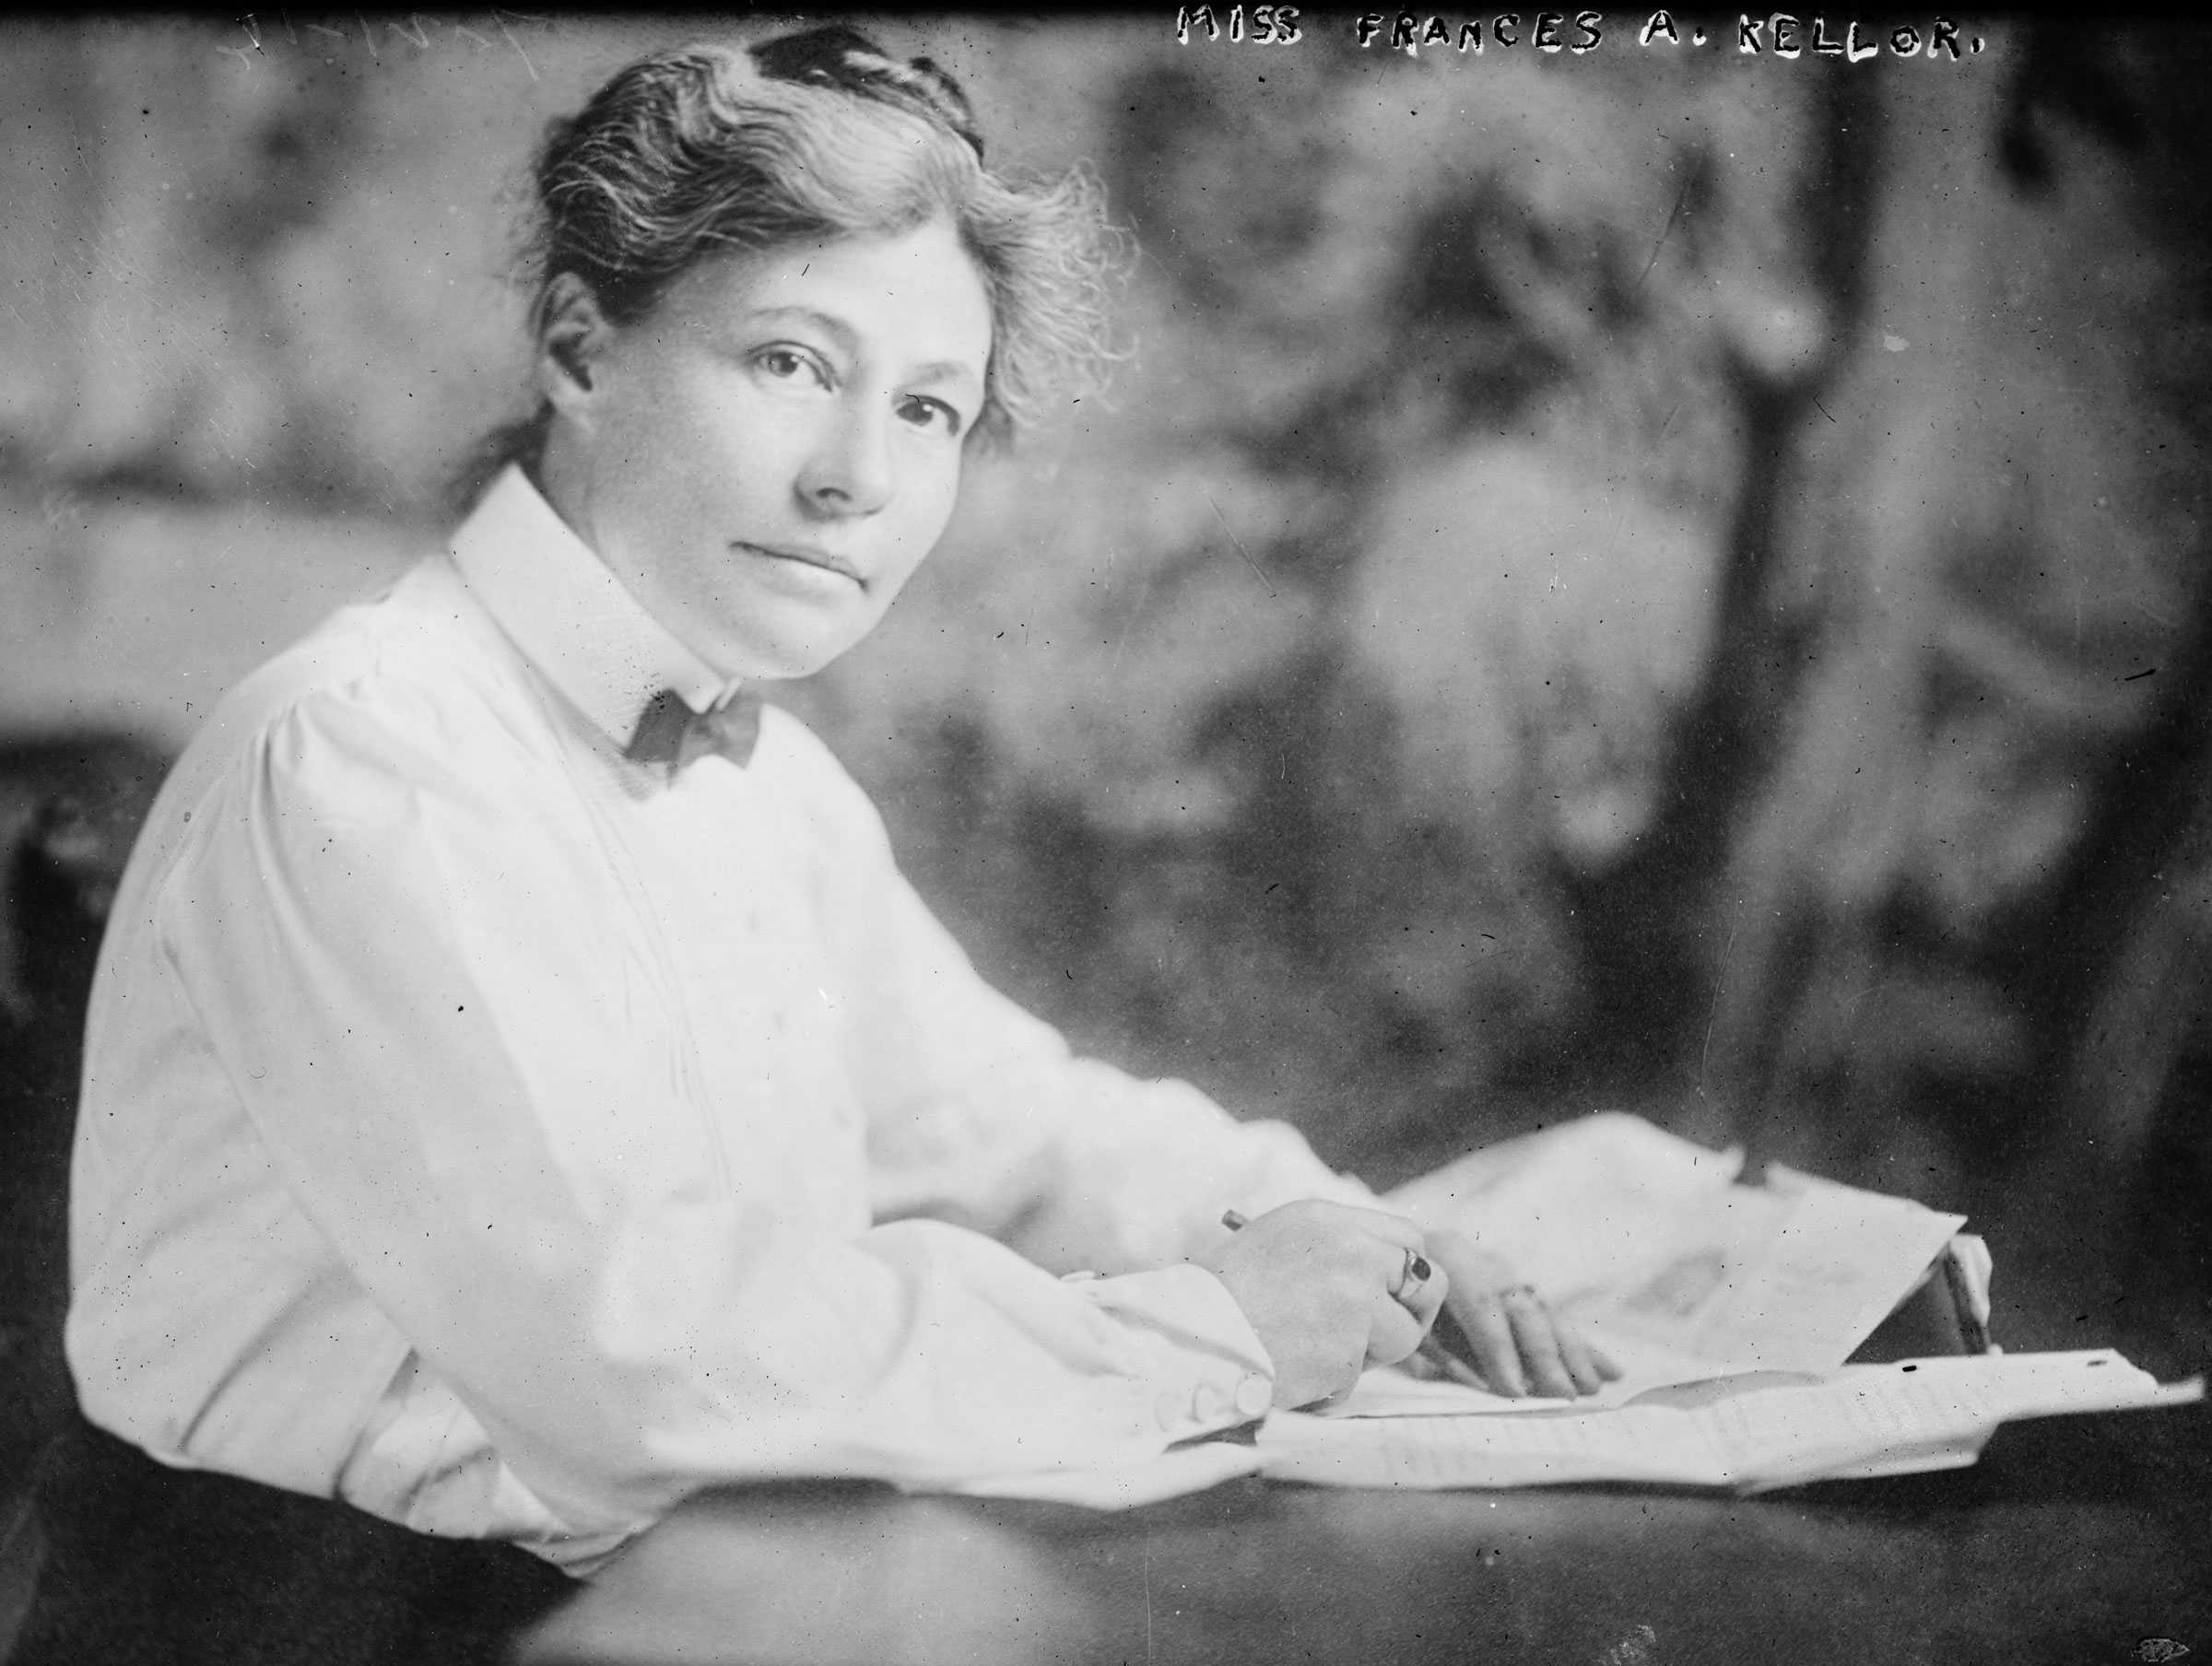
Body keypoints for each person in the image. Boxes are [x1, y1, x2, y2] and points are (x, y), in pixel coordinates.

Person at [25, 25, 1614, 1660]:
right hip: (316, 1627)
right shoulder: (363, 752)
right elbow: (634, 1360)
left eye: (930, 410)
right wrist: (1212, 1332)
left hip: (651, 1591)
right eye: (791, 363)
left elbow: (1003, 1129)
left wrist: (1342, 1234)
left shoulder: (761, 780)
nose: (862, 476)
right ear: (581, 347)